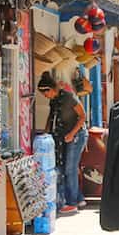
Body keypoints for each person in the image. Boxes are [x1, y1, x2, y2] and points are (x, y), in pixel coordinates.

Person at [38, 71, 88, 215]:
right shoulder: (54, 100)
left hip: (77, 135)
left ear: (51, 89)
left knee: (69, 168)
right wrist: (46, 133)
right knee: (66, 167)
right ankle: (78, 198)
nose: (45, 96)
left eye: (45, 93)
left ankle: (72, 202)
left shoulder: (68, 97)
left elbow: (83, 116)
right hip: (65, 136)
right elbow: (51, 117)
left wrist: (72, 134)